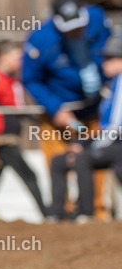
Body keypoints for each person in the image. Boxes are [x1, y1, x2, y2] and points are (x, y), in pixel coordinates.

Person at [23, 0, 112, 218]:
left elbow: (112, 55)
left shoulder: (98, 19)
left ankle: (96, 212)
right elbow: (31, 79)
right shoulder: (40, 40)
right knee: (59, 163)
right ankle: (62, 215)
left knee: (96, 161)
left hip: (94, 110)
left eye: (79, 25)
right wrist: (55, 108)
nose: (76, 31)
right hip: (59, 115)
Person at [49, 35, 122, 220]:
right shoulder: (112, 84)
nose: (104, 63)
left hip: (118, 144)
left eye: (110, 58)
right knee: (58, 161)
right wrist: (83, 141)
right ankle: (57, 214)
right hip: (110, 141)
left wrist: (87, 146)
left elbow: (114, 128)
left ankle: (86, 214)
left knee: (82, 158)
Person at [0, 41, 50, 219]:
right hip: (2, 139)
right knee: (30, 175)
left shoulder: (14, 81)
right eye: (17, 57)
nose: (21, 61)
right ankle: (46, 213)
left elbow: (18, 108)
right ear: (3, 57)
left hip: (13, 135)